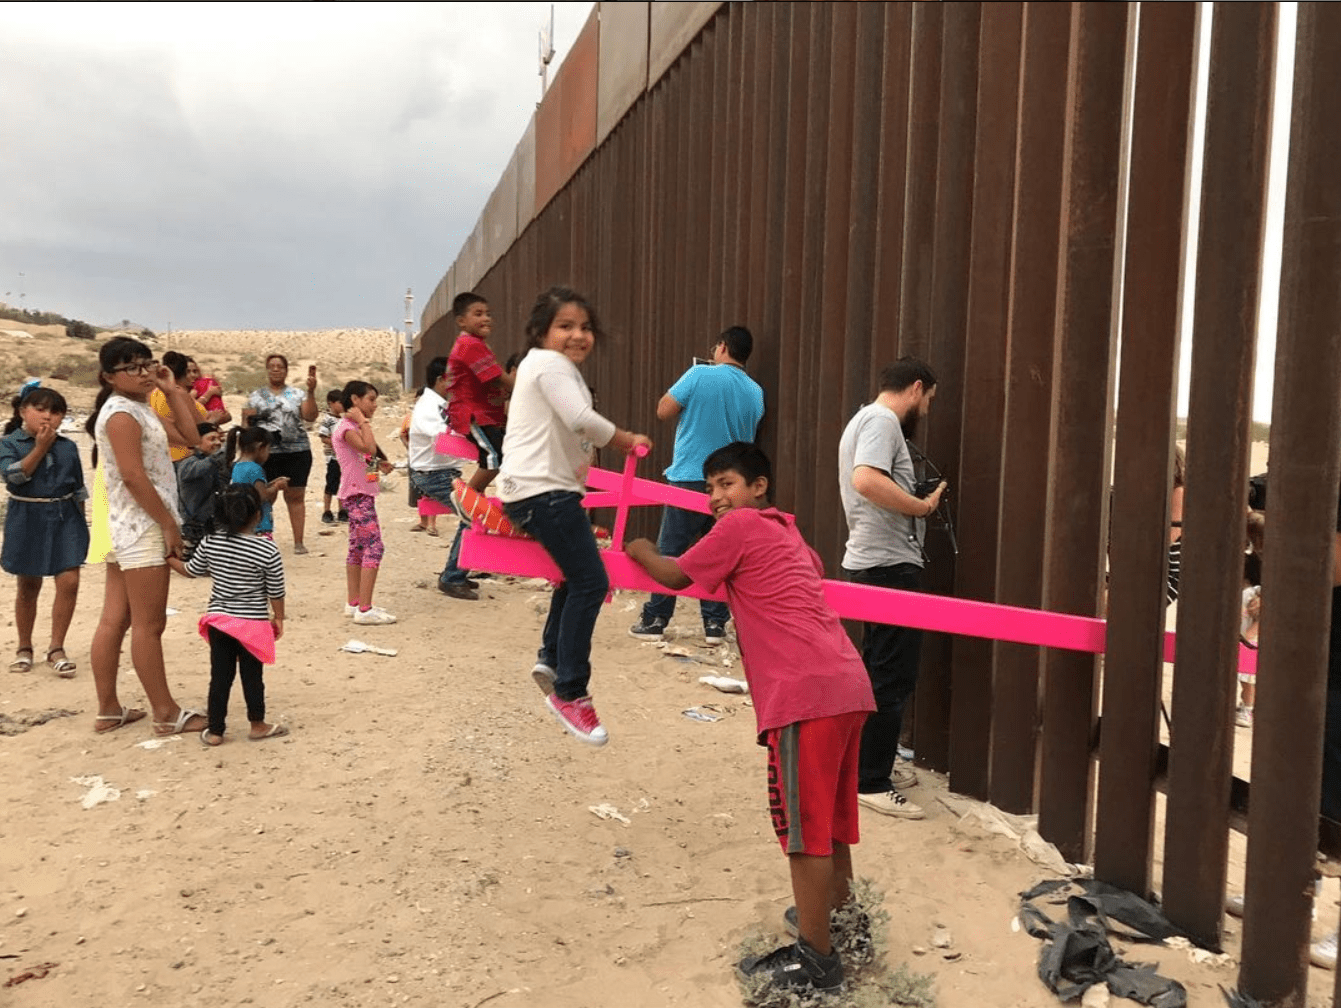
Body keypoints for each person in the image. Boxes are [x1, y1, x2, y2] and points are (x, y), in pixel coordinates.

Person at [627, 442, 876, 996]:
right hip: (847, 685)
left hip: (805, 695)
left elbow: (671, 576)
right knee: (829, 822)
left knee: (803, 831)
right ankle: (843, 921)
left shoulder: (739, 529)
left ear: (758, 486)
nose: (716, 497)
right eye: (710, 487)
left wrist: (641, 547)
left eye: (727, 484)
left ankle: (817, 961)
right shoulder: (788, 533)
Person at [497, 287, 651, 745]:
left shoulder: (544, 366)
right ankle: (571, 692)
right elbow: (581, 420)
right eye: (565, 326)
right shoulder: (549, 364)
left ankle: (551, 657)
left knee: (574, 576)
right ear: (542, 332)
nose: (578, 335)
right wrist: (625, 439)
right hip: (543, 492)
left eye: (584, 327)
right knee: (592, 582)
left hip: (539, 491)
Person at [837, 357, 946, 820]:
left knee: (877, 670)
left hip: (873, 562)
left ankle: (868, 765)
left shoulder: (862, 418)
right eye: (929, 400)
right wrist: (921, 507)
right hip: (887, 565)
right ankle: (871, 781)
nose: (926, 410)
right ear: (916, 388)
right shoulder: (883, 420)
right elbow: (866, 480)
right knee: (891, 676)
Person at [86, 336, 206, 736]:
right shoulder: (122, 414)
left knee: (115, 619)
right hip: (142, 526)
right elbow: (133, 477)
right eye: (131, 367)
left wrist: (171, 391)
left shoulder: (138, 408)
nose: (143, 372)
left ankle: (108, 710)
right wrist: (169, 524)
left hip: (127, 525)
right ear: (108, 376)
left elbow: (190, 436)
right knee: (147, 625)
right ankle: (165, 712)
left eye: (146, 363)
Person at [629, 326, 765, 645]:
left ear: (721, 347)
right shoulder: (756, 391)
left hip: (690, 477)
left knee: (671, 550)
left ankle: (656, 619)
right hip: (731, 486)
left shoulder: (700, 374)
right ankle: (715, 624)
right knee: (717, 554)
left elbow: (664, 409)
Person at [176, 483, 288, 746]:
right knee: (253, 677)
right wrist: (279, 617)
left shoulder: (210, 542)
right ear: (258, 515)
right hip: (252, 623)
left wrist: (170, 557)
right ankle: (258, 724)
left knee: (220, 677)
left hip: (220, 622)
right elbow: (276, 589)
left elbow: (191, 570)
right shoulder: (267, 549)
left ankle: (215, 730)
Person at [2, 387, 89, 677]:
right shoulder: (9, 443)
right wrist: (39, 448)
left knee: (69, 582)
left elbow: (78, 487)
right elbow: (14, 476)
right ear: (23, 411)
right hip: (27, 517)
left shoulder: (68, 446)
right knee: (29, 586)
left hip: (66, 517)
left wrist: (83, 524)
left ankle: (56, 648)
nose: (47, 416)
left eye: (55, 412)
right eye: (40, 409)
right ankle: (24, 647)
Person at [408, 356, 478, 600]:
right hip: (433, 475)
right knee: (473, 515)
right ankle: (452, 577)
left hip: (443, 472)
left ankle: (458, 568)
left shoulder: (440, 404)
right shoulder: (428, 407)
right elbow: (445, 439)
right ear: (441, 380)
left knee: (471, 515)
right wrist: (481, 451)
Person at [333, 380, 397, 625]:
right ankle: (365, 609)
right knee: (374, 547)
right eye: (370, 400)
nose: (375, 405)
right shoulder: (349, 427)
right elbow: (368, 446)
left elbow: (365, 455)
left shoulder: (351, 426)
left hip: (359, 492)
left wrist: (379, 465)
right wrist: (364, 421)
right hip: (357, 495)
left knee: (358, 548)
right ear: (355, 400)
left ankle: (354, 602)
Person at [241, 354, 318, 554]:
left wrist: (311, 392)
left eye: (280, 366)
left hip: (297, 451)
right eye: (272, 366)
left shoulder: (298, 394)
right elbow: (247, 424)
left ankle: (298, 542)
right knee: (265, 496)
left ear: (286, 370)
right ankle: (263, 540)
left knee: (296, 496)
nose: (276, 369)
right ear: (267, 370)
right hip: (267, 454)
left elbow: (310, 416)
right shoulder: (255, 396)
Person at [447, 292, 515, 494]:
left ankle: (475, 504)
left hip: (484, 413)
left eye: (488, 314)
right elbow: (498, 377)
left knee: (502, 455)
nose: (486, 318)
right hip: (473, 415)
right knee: (494, 457)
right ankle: (469, 497)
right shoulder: (470, 344)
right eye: (478, 314)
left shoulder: (475, 344)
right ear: (461, 321)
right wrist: (522, 388)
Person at [176, 422, 227, 561]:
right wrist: (226, 450)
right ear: (197, 443)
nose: (217, 443)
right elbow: (205, 466)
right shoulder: (188, 464)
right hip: (193, 527)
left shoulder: (216, 462)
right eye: (212, 439)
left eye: (219, 440)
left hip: (211, 523)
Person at [227, 426, 288, 540]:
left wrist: (270, 484)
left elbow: (251, 488)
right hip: (259, 525)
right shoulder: (255, 469)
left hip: (242, 522)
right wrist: (276, 487)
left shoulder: (237, 465)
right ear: (261, 447)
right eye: (268, 449)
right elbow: (261, 495)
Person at [149, 350, 209, 464]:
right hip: (183, 455)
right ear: (185, 372)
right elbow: (201, 427)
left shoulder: (155, 392)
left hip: (164, 455)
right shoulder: (179, 394)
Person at [317, 389, 347, 524]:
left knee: (343, 484)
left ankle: (342, 510)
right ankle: (327, 510)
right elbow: (323, 437)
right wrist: (337, 445)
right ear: (331, 403)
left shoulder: (344, 419)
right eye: (340, 403)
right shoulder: (328, 420)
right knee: (331, 483)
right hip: (333, 458)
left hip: (344, 458)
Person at [185, 358, 231, 425]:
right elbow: (192, 406)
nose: (193, 375)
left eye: (195, 371)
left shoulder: (199, 386)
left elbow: (227, 417)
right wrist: (209, 393)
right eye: (187, 372)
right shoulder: (180, 393)